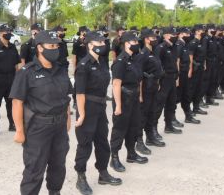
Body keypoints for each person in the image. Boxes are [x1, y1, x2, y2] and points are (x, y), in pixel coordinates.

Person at [10, 30, 73, 195]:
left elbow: (65, 96)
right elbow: (17, 102)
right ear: (39, 48)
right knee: (34, 168)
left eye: (57, 46)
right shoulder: (26, 72)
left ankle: (55, 191)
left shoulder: (61, 70)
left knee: (58, 164)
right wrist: (19, 130)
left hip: (59, 126)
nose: (55, 49)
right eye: (51, 46)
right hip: (38, 127)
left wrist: (67, 118)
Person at [74, 31, 122, 195]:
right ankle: (81, 178)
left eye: (103, 43)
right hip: (87, 107)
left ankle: (103, 173)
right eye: (99, 43)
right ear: (90, 45)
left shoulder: (102, 62)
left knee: (102, 142)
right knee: (85, 144)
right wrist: (81, 114)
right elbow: (79, 93)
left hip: (100, 107)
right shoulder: (83, 65)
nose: (103, 46)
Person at [110, 31, 148, 173]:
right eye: (134, 42)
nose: (137, 45)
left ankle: (131, 153)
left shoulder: (135, 59)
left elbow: (138, 80)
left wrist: (139, 96)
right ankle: (114, 158)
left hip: (134, 98)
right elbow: (116, 85)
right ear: (126, 44)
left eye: (137, 42)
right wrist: (118, 105)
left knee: (134, 126)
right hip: (123, 98)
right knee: (120, 129)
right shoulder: (120, 62)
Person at [135, 28, 166, 156]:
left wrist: (157, 83)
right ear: (146, 39)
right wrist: (140, 94)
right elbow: (139, 76)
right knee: (142, 116)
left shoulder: (154, 52)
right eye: (153, 38)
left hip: (153, 86)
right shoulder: (142, 55)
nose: (155, 40)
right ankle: (139, 142)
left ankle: (150, 137)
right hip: (145, 89)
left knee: (152, 114)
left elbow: (157, 71)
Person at [155, 27, 183, 134]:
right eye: (173, 35)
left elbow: (175, 62)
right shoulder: (160, 48)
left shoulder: (174, 47)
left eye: (176, 35)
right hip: (164, 79)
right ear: (166, 36)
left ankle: (169, 125)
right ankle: (153, 130)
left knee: (171, 103)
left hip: (172, 78)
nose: (175, 37)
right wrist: (158, 81)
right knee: (159, 105)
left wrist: (177, 77)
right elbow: (157, 66)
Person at [175, 27, 201, 124]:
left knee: (186, 95)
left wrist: (189, 69)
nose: (189, 36)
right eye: (186, 34)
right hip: (180, 74)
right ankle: (172, 119)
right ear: (181, 34)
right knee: (176, 97)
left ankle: (188, 116)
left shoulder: (184, 44)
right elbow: (177, 61)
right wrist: (177, 76)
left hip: (185, 73)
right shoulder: (178, 45)